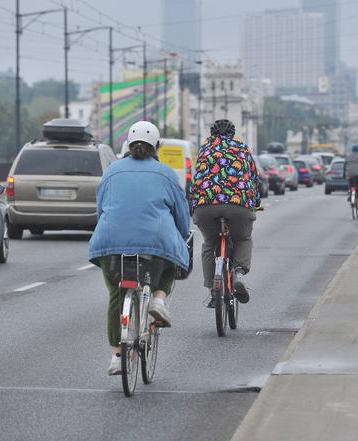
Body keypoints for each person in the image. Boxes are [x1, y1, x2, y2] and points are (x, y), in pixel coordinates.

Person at [88, 121, 191, 376]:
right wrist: (182, 234)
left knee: (115, 293)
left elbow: (100, 208)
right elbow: (181, 215)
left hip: (111, 243)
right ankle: (158, 300)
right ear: (156, 146)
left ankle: (116, 356)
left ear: (128, 145)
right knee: (174, 261)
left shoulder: (112, 171)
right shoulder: (166, 173)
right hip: (155, 245)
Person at [190, 119, 261, 307]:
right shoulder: (242, 148)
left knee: (209, 242)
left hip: (205, 205)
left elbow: (197, 178)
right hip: (238, 204)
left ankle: (213, 289)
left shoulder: (204, 148)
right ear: (233, 134)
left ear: (212, 134)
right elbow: (253, 178)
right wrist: (256, 202)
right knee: (243, 239)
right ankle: (238, 273)